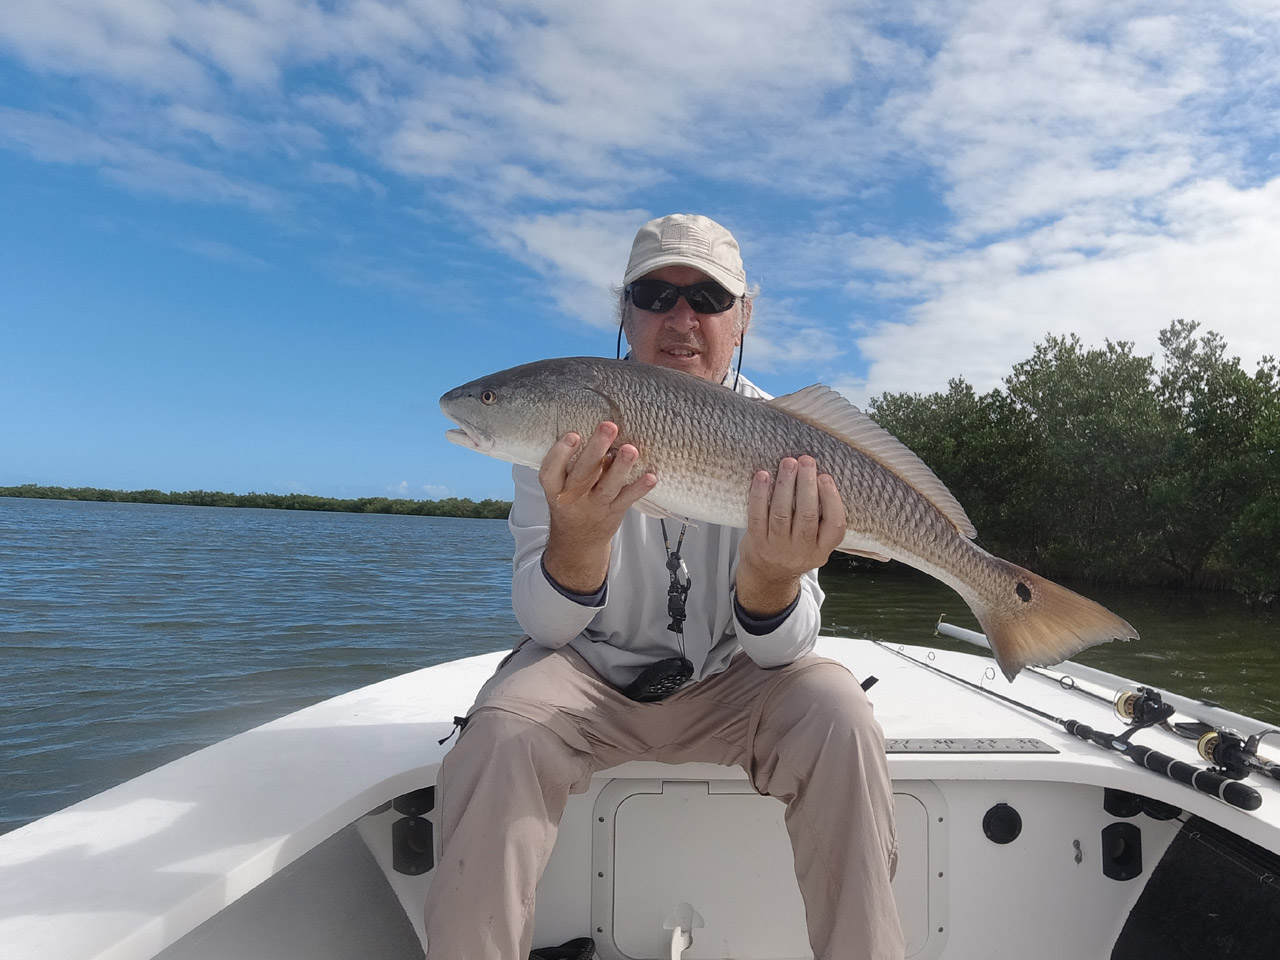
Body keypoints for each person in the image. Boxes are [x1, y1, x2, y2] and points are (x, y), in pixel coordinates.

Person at [423, 214, 904, 960]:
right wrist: (577, 536)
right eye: (654, 295)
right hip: (590, 682)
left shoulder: (792, 446)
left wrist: (773, 576)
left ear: (744, 318)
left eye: (709, 299)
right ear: (624, 312)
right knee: (501, 733)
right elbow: (547, 629)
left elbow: (786, 651)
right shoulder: (559, 442)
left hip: (739, 680)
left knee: (840, 713)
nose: (681, 319)